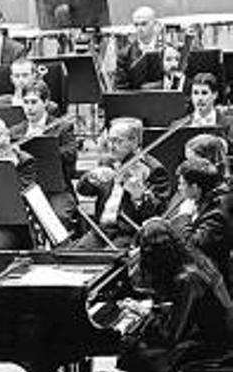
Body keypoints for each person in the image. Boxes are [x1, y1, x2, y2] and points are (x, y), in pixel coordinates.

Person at [93, 219, 233, 372]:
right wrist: (150, 310)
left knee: (145, 362)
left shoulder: (187, 278)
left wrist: (142, 312)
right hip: (203, 334)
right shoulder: (189, 261)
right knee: (142, 362)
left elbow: (172, 333)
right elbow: (177, 316)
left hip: (215, 344)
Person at [76, 117, 171, 248]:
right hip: (101, 230)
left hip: (129, 233)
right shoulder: (107, 162)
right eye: (109, 140)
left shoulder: (153, 169)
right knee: (74, 256)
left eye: (117, 141)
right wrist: (90, 177)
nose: (111, 146)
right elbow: (83, 191)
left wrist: (139, 197)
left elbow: (159, 213)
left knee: (107, 261)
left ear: (134, 142)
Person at [9, 80, 78, 230]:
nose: (29, 108)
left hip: (56, 189)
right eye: (25, 102)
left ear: (46, 102)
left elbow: (71, 155)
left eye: (34, 102)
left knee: (58, 218)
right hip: (26, 188)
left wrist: (46, 148)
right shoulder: (15, 131)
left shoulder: (62, 127)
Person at [0, 116, 36, 250]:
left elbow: (21, 200)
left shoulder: (24, 161)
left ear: (7, 135)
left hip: (11, 226)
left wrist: (10, 171)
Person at [172, 157, 232, 286]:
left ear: (195, 187)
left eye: (182, 183)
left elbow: (192, 247)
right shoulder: (202, 201)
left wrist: (184, 217)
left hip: (210, 286)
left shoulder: (217, 215)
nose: (178, 188)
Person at [171, 72, 233, 146]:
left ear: (215, 95)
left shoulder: (230, 124)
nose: (199, 98)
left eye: (204, 93)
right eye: (195, 93)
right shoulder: (177, 126)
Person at [115, 6, 164, 90]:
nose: (139, 29)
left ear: (155, 24)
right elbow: (121, 88)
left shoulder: (168, 49)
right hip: (137, 100)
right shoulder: (124, 54)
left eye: (144, 24)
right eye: (136, 25)